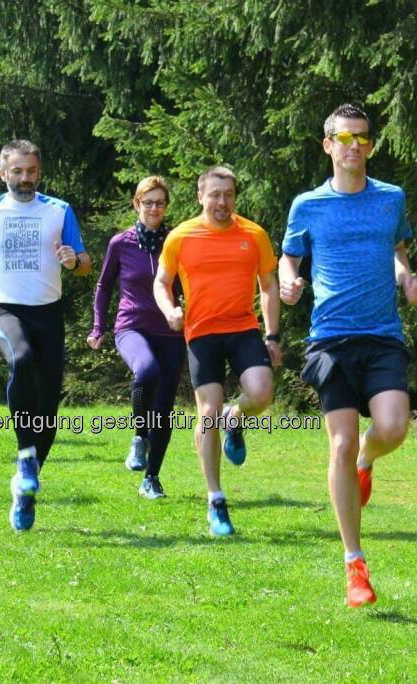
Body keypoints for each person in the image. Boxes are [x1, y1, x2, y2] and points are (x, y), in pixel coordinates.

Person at [279, 103, 417, 607]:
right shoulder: (307, 205)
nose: (354, 146)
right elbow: (289, 256)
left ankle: (369, 455)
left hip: (382, 333)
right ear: (328, 145)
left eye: (362, 138)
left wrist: (406, 277)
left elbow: (398, 248)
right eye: (345, 137)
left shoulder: (391, 199)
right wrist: (287, 283)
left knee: (393, 429)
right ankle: (354, 565)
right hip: (330, 338)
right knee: (338, 444)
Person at [0, 139, 92, 532]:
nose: (25, 178)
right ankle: (24, 454)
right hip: (2, 308)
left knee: (49, 404)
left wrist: (74, 261)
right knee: (20, 358)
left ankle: (26, 483)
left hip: (48, 312)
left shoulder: (59, 210)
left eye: (31, 171)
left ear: (39, 172)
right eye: (17, 171)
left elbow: (83, 263)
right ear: (3, 173)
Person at [154, 166, 281, 536]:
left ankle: (236, 418)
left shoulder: (253, 234)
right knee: (206, 412)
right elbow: (162, 282)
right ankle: (216, 499)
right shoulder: (181, 236)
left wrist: (272, 336)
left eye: (228, 195)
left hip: (243, 327)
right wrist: (170, 310)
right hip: (201, 331)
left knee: (261, 393)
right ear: (200, 196)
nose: (222, 202)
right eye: (215, 195)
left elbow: (269, 285)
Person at [89, 176, 186, 499]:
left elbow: (188, 285)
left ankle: (152, 478)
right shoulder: (121, 243)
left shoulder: (176, 241)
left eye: (160, 202)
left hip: (171, 331)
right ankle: (138, 436)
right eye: (148, 202)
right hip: (131, 326)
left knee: (164, 407)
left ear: (166, 206)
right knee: (146, 371)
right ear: (136, 204)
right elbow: (104, 286)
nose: (154, 208)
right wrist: (98, 326)